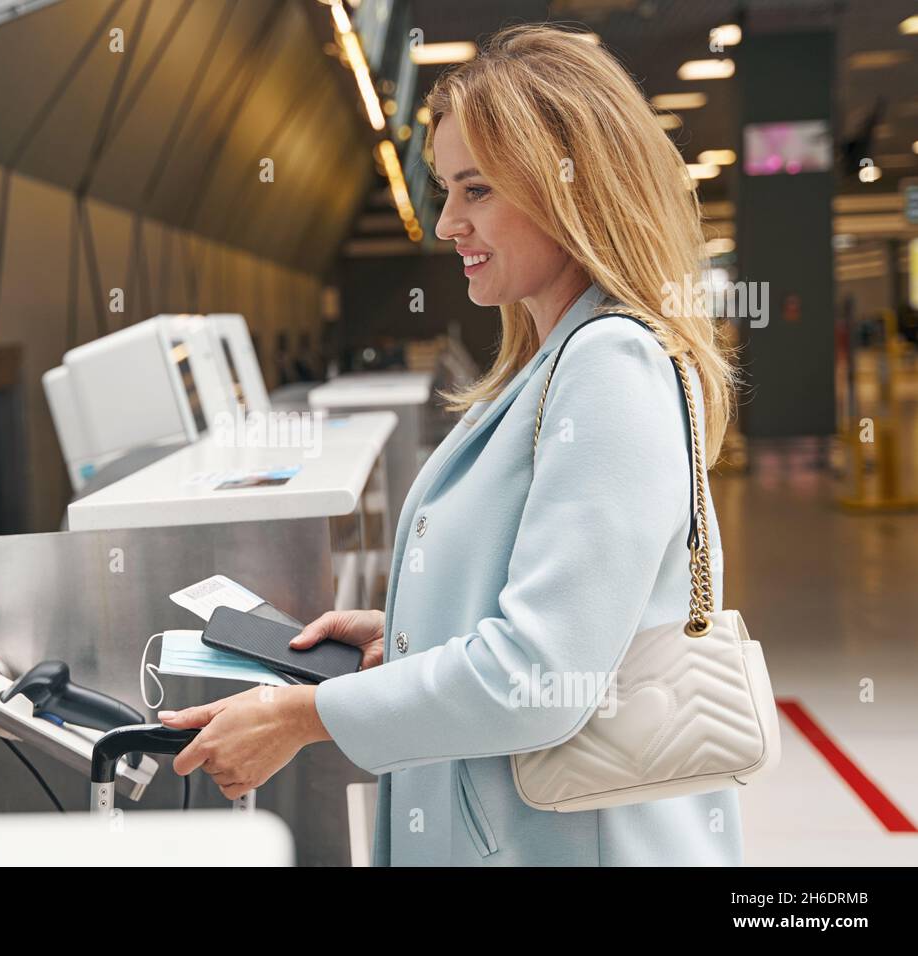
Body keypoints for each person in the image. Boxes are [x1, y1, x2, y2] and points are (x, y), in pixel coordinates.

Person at [159, 24, 739, 866]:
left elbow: (541, 675)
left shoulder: (610, 365)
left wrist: (299, 718)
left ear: (567, 187)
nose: (448, 224)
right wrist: (410, 634)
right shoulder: (550, 365)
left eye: (477, 191)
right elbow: (561, 614)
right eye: (445, 190)